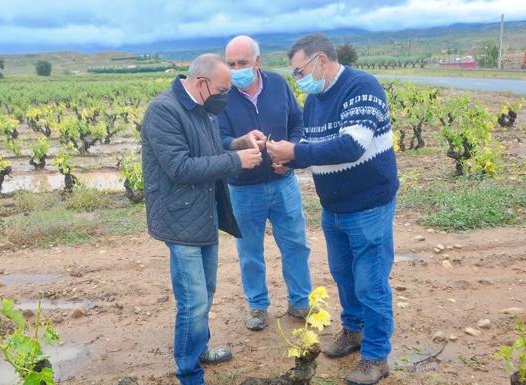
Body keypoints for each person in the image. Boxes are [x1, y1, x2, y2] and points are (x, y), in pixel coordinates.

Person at [267, 33, 399, 385]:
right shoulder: (314, 100)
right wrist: (290, 160)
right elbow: (312, 145)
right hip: (335, 206)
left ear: (321, 60)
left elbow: (351, 145)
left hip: (368, 203)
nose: (298, 79)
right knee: (343, 275)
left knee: (371, 282)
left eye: (299, 71)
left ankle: (375, 356)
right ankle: (353, 332)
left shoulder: (361, 87)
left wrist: (296, 153)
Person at [141, 53, 263, 385]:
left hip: (204, 215)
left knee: (205, 293)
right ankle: (189, 372)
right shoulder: (163, 111)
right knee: (193, 301)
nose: (226, 95)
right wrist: (237, 161)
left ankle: (199, 350)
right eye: (223, 88)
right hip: (179, 218)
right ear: (201, 82)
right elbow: (180, 168)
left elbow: (212, 151)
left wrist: (238, 144)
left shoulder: (204, 111)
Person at [218, 35, 312, 331]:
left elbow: (298, 122)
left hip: (283, 182)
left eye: (242, 63)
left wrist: (291, 152)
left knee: (296, 244)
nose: (236, 70)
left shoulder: (279, 85)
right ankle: (257, 307)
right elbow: (216, 139)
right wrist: (239, 142)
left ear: (257, 62)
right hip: (242, 189)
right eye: (231, 64)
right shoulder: (222, 95)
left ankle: (300, 301)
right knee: (249, 252)